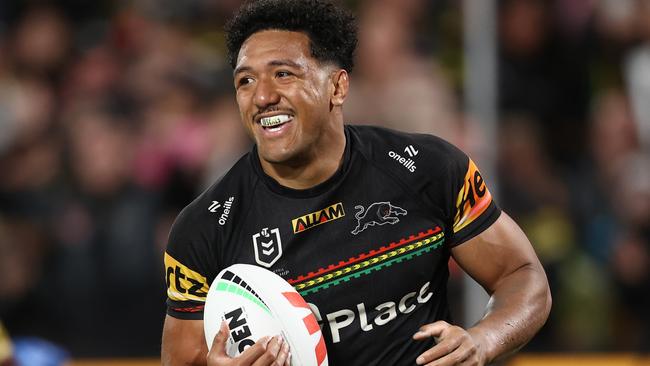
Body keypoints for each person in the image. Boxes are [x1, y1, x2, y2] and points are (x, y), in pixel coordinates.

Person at [161, 0, 552, 365]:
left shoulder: (428, 169)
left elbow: (521, 274)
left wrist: (484, 339)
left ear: (338, 87)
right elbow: (183, 357)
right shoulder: (204, 229)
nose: (262, 96)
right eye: (245, 81)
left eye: (283, 74)